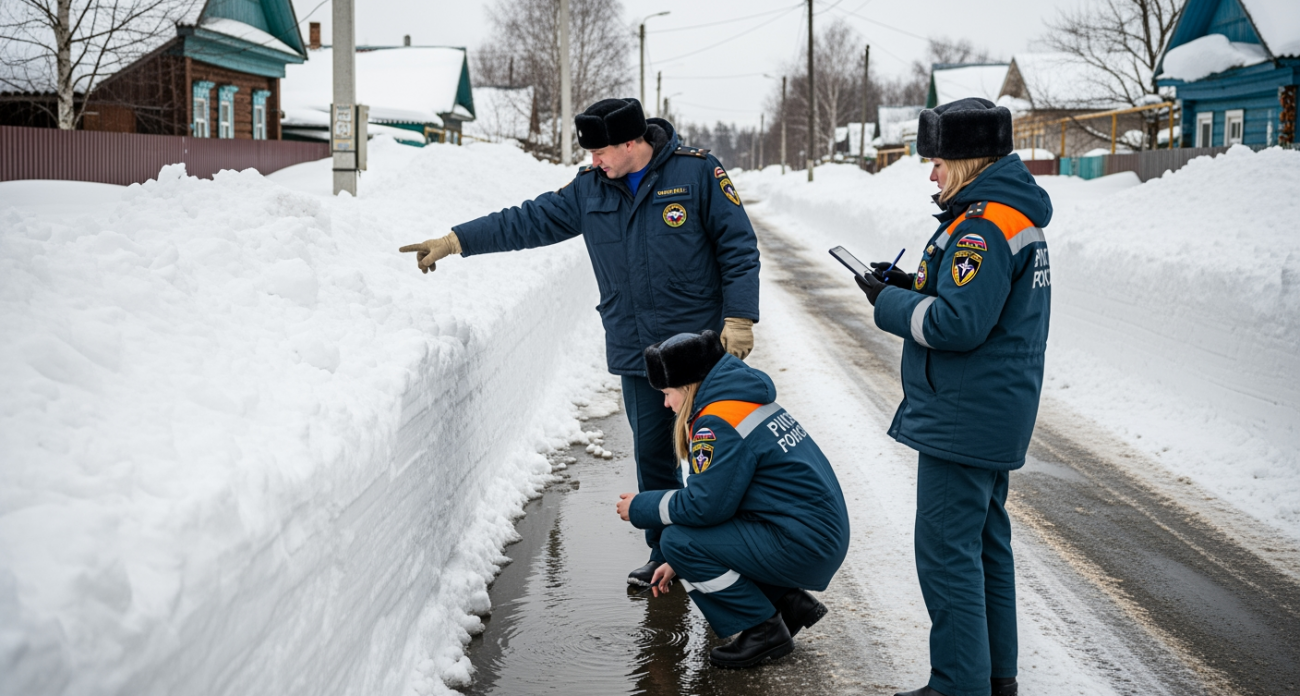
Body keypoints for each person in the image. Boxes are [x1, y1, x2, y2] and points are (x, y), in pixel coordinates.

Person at [398, 98, 761, 588]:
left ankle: (741, 553)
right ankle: (665, 553)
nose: (594, 162)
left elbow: (737, 246)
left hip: (700, 349)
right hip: (640, 353)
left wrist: (739, 317)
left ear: (632, 142)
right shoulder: (590, 190)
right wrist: (456, 241)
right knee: (654, 457)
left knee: (722, 453)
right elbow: (526, 220)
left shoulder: (697, 174)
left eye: (601, 151)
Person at [855, 97, 1052, 696]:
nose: (932, 173)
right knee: (985, 547)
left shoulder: (985, 226)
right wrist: (908, 283)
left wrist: (887, 305)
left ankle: (957, 685)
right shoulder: (1008, 217)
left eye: (937, 161)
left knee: (945, 553)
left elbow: (958, 324)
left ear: (967, 161)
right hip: (992, 410)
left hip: (964, 416)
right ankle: (993, 679)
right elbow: (963, 298)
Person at [614, 330, 850, 669]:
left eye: (667, 393)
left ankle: (764, 631)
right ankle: (788, 603)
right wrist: (681, 561)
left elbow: (704, 506)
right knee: (689, 542)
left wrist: (642, 508)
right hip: (813, 532)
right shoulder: (739, 399)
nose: (666, 404)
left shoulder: (716, 422)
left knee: (678, 538)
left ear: (688, 385)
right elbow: (724, 500)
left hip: (805, 542)